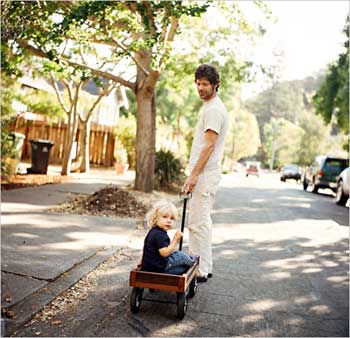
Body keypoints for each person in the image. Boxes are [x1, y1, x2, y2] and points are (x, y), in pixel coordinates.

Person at [182, 64, 229, 282]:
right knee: (202, 222)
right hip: (206, 174)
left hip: (205, 175)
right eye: (198, 84)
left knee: (197, 223)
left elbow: (209, 146)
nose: (200, 88)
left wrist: (193, 175)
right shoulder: (212, 106)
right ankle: (204, 266)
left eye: (205, 84)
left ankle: (197, 270)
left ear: (215, 85)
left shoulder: (213, 110)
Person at [140, 200, 196, 275]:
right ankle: (192, 261)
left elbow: (148, 251)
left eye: (172, 218)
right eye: (165, 217)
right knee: (180, 255)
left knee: (176, 255)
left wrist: (141, 262)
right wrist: (175, 240)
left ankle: (189, 261)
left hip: (148, 267)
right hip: (160, 269)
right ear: (155, 218)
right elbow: (165, 253)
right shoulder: (160, 235)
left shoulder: (152, 231)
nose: (169, 221)